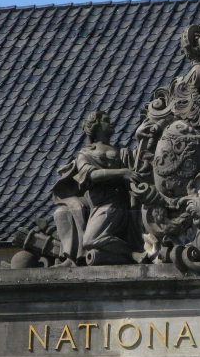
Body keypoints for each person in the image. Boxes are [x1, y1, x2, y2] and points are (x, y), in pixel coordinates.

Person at [52, 111, 143, 265]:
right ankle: (72, 257)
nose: (111, 123)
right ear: (96, 126)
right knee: (62, 212)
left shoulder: (123, 152)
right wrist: (121, 172)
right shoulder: (86, 153)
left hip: (114, 202)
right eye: (107, 120)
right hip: (95, 201)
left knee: (90, 240)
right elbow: (90, 175)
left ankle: (131, 253)